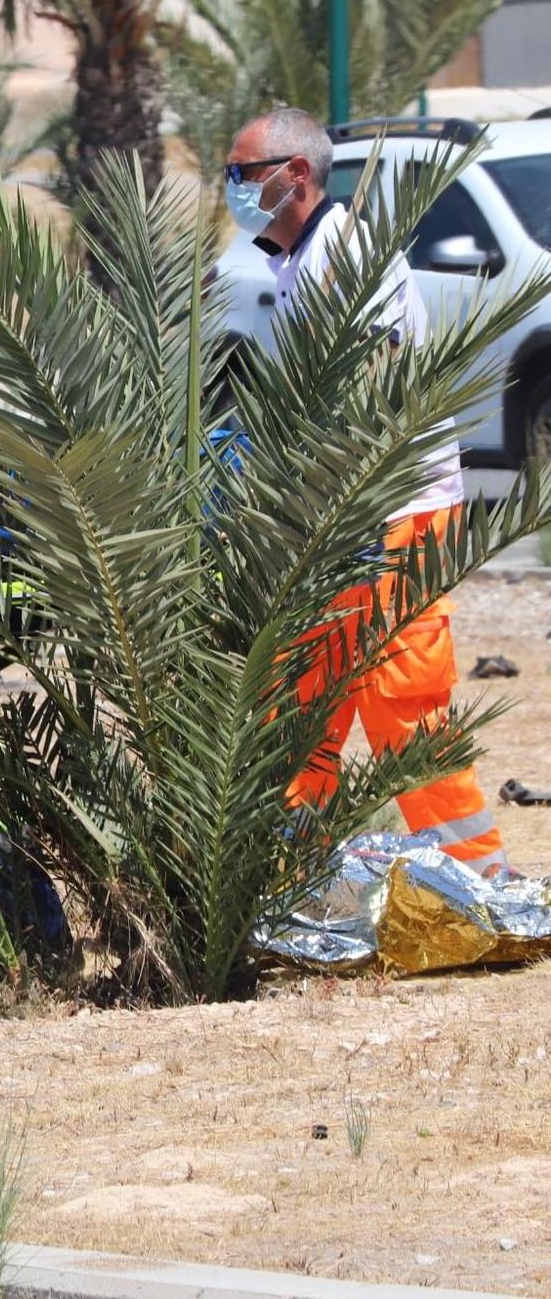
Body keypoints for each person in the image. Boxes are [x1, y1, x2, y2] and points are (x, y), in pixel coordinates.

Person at [225, 107, 510, 877]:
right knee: (300, 695)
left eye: (242, 174)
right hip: (335, 515)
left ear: (295, 175)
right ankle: (286, 870)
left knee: (402, 703)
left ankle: (481, 875)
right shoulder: (296, 259)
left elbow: (372, 388)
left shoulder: (344, 255)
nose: (233, 189)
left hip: (391, 512)